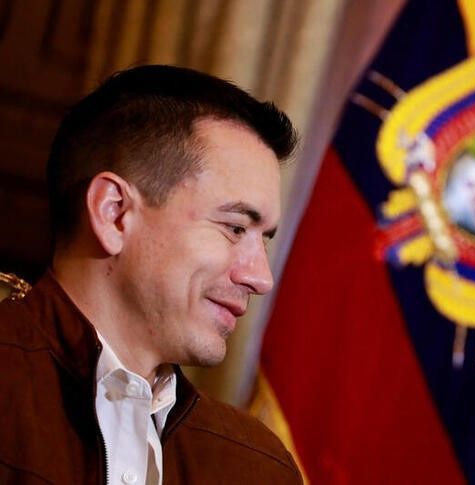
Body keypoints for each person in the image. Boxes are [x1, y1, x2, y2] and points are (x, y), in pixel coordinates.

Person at [0, 65, 302, 484]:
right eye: (235, 228)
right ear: (115, 213)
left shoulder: (256, 468)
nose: (261, 278)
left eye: (263, 239)